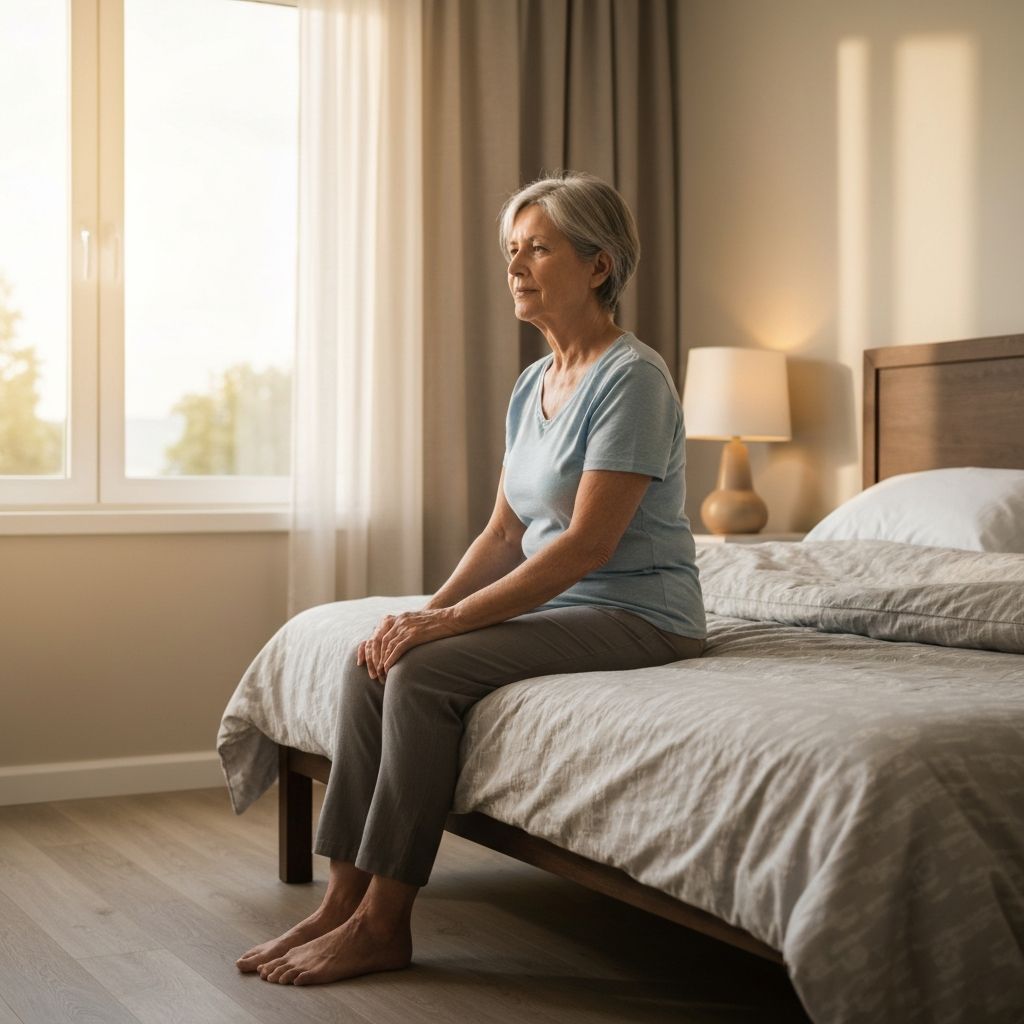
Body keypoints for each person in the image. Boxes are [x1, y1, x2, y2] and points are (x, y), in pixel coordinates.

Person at [236, 170, 706, 986]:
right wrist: (419, 616)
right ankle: (342, 900)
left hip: (640, 612)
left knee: (423, 673)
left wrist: (444, 629)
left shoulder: (633, 379)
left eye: (539, 249)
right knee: (375, 657)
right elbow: (504, 532)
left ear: (598, 264)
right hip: (568, 607)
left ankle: (385, 923)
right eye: (512, 250)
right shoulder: (533, 384)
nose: (515, 266)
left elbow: (585, 547)